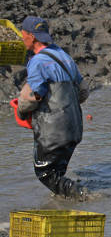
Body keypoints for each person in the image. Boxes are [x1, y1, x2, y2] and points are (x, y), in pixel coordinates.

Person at [13, 17, 87, 199]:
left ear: (31, 37)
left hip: (55, 131)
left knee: (45, 173)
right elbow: (84, 92)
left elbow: (34, 98)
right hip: (75, 128)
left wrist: (21, 111)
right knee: (57, 172)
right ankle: (67, 202)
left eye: (23, 35)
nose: (22, 39)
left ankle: (82, 195)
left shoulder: (37, 62)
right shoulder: (63, 55)